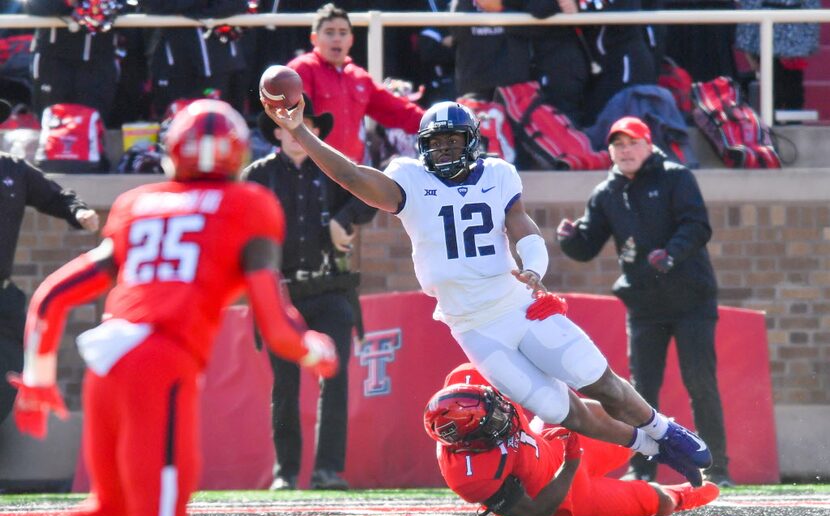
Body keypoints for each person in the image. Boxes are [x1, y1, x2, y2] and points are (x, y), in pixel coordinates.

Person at [261, 96, 714, 486]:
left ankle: (665, 429)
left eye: (452, 141)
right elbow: (352, 178)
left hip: (519, 304)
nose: (444, 150)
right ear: (423, 148)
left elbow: (520, 224)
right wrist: (299, 129)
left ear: (471, 141)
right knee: (561, 412)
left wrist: (535, 266)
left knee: (600, 380)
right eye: (435, 143)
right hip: (474, 327)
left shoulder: (498, 174)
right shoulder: (409, 180)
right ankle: (651, 448)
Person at [5, 99, 338, 516]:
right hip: (161, 362)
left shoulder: (137, 203)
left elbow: (51, 297)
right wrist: (314, 350)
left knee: (109, 506)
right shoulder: (249, 204)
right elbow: (276, 327)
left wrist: (39, 379)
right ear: (238, 153)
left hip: (107, 361)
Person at [556, 116, 732, 487]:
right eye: (618, 145)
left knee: (700, 381)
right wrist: (569, 238)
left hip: (691, 300)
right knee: (638, 391)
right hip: (645, 306)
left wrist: (670, 254)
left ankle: (716, 468)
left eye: (632, 143)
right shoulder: (607, 191)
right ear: (610, 152)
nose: (625, 150)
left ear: (649, 145)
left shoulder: (676, 177)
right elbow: (587, 246)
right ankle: (643, 467)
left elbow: (698, 226)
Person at [242, 95, 377, 491]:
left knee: (333, 380)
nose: (297, 134)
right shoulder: (257, 175)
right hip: (280, 295)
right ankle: (285, 472)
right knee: (284, 385)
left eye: (306, 126)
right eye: (286, 126)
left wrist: (343, 218)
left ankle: (328, 470)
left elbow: (369, 195)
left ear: (315, 132)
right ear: (275, 133)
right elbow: (237, 226)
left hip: (331, 289)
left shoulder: (333, 170)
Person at [424, 364, 720, 516]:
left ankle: (660, 444)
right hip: (565, 499)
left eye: (497, 404)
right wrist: (571, 465)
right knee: (657, 502)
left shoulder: (469, 378)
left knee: (581, 411)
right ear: (473, 441)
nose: (505, 412)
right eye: (493, 419)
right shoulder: (471, 475)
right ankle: (685, 495)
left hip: (552, 443)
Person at [0, 98, 99, 428]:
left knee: (10, 378)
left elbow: (54, 195)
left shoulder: (12, 168)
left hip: (3, 298)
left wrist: (78, 211)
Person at [287, 3, 424, 165]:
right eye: (329, 32)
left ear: (351, 39)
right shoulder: (301, 69)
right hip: (310, 170)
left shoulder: (359, 77)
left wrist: (437, 121)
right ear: (314, 38)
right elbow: (292, 121)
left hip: (351, 175)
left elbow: (398, 111)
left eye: (343, 33)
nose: (337, 38)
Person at [24, 0, 123, 123]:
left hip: (98, 62)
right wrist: (71, 3)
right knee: (52, 127)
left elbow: (126, 8)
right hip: (53, 62)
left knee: (93, 125)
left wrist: (102, 5)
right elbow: (33, 6)